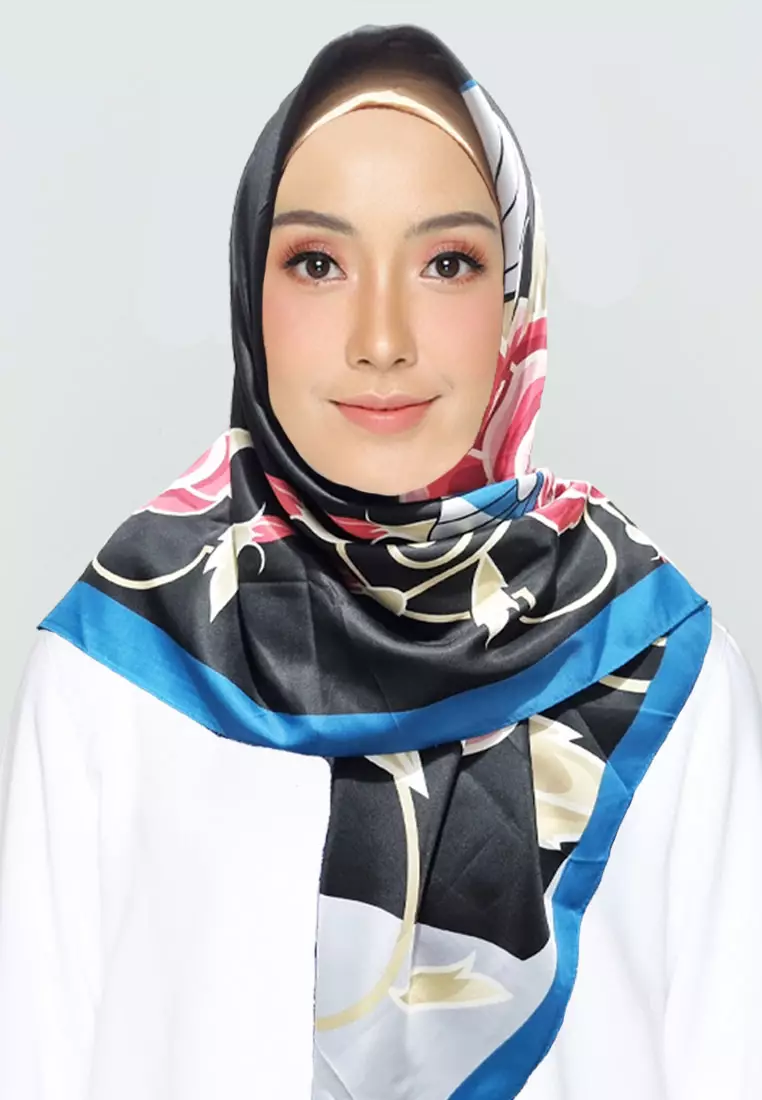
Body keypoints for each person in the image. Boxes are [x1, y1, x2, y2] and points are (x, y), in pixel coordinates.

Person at [1, 22, 760, 1100]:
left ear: (515, 296)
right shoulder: (122, 657)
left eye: (447, 263)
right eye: (318, 263)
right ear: (250, 288)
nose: (382, 337)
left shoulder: (659, 658)